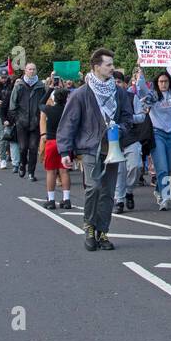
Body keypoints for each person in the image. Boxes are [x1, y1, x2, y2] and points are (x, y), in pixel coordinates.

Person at [57, 48, 135, 251]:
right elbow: (69, 122)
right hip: (90, 146)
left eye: (112, 64)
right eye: (108, 65)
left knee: (108, 192)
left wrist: (120, 129)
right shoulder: (82, 93)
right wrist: (65, 151)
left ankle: (103, 231)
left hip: (113, 147)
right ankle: (89, 227)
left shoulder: (119, 92)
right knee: (94, 187)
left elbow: (128, 117)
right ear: (96, 67)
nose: (112, 68)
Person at [141, 71, 171, 211]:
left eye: (165, 81)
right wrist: (139, 69)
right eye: (160, 82)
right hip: (157, 133)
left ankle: (159, 190)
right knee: (162, 167)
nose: (163, 84)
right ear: (156, 83)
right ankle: (165, 198)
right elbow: (141, 88)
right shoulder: (153, 95)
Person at [111, 69, 147, 214]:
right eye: (112, 82)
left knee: (135, 167)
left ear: (125, 84)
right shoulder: (107, 99)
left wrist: (129, 118)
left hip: (131, 138)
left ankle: (129, 191)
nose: (116, 85)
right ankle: (119, 200)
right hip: (115, 139)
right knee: (119, 171)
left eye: (118, 82)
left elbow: (142, 117)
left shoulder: (132, 98)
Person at [8, 63, 47, 181]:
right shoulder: (19, 86)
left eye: (34, 69)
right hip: (22, 122)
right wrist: (17, 119)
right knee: (23, 147)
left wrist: (41, 116)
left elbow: (44, 102)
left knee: (33, 148)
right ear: (25, 70)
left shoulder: (41, 86)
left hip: (35, 123)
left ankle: (31, 172)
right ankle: (22, 164)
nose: (31, 71)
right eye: (29, 69)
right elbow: (12, 104)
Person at [39, 86, 71, 208]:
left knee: (51, 172)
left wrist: (50, 89)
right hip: (65, 142)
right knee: (64, 171)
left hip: (51, 141)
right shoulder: (68, 111)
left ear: (55, 98)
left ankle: (51, 200)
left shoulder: (49, 109)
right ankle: (66, 199)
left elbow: (40, 103)